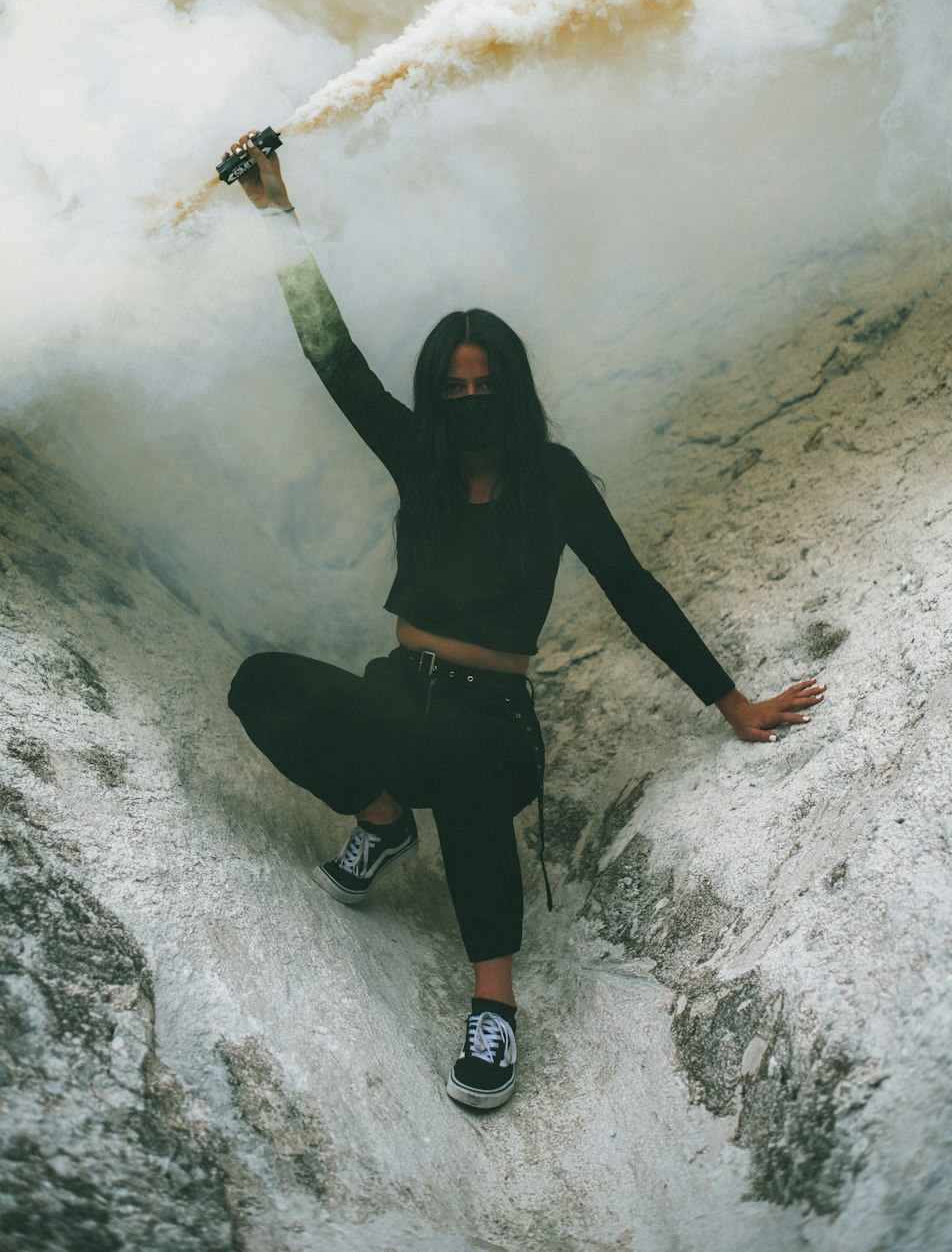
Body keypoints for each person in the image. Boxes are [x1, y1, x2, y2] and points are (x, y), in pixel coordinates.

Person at [224, 130, 827, 1111]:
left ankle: (493, 1005)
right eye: (451, 386)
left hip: (491, 729)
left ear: (510, 387)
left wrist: (731, 701)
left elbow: (631, 587)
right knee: (263, 682)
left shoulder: (551, 478)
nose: (467, 399)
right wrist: (276, 213)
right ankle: (381, 820)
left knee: (456, 756)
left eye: (483, 384)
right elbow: (330, 356)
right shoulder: (415, 454)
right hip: (398, 700)